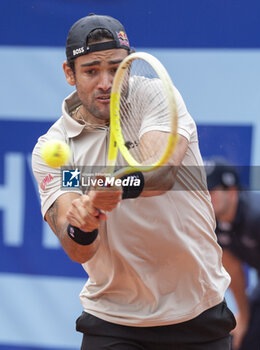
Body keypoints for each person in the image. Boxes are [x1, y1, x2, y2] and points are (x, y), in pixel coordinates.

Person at [32, 14, 235, 350]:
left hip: (197, 311)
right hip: (113, 321)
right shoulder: (53, 149)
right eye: (91, 70)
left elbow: (162, 171)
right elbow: (76, 247)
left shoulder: (155, 95)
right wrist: (82, 223)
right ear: (70, 74)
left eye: (116, 67)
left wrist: (113, 188)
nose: (106, 82)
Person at [206, 158, 260, 350]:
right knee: (239, 341)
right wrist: (244, 316)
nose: (206, 198)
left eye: (212, 191)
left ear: (232, 191)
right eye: (203, 191)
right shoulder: (212, 221)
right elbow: (232, 267)